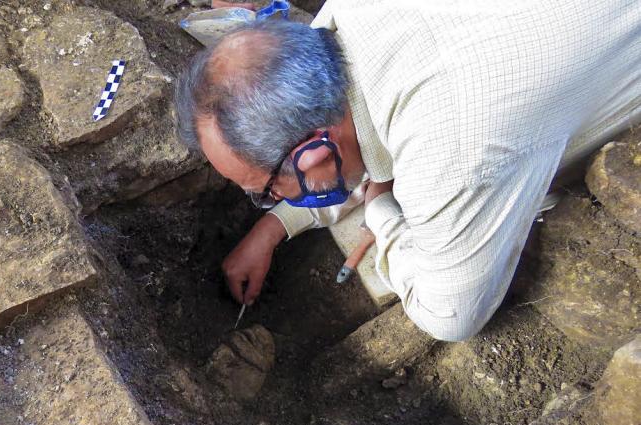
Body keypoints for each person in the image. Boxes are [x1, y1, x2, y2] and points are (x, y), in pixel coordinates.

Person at [175, 0, 641, 341]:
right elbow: (349, 153)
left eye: (267, 191)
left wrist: (380, 208)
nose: (272, 199)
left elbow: (451, 314)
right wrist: (273, 229)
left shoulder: (454, 145)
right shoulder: (339, 28)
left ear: (314, 156)